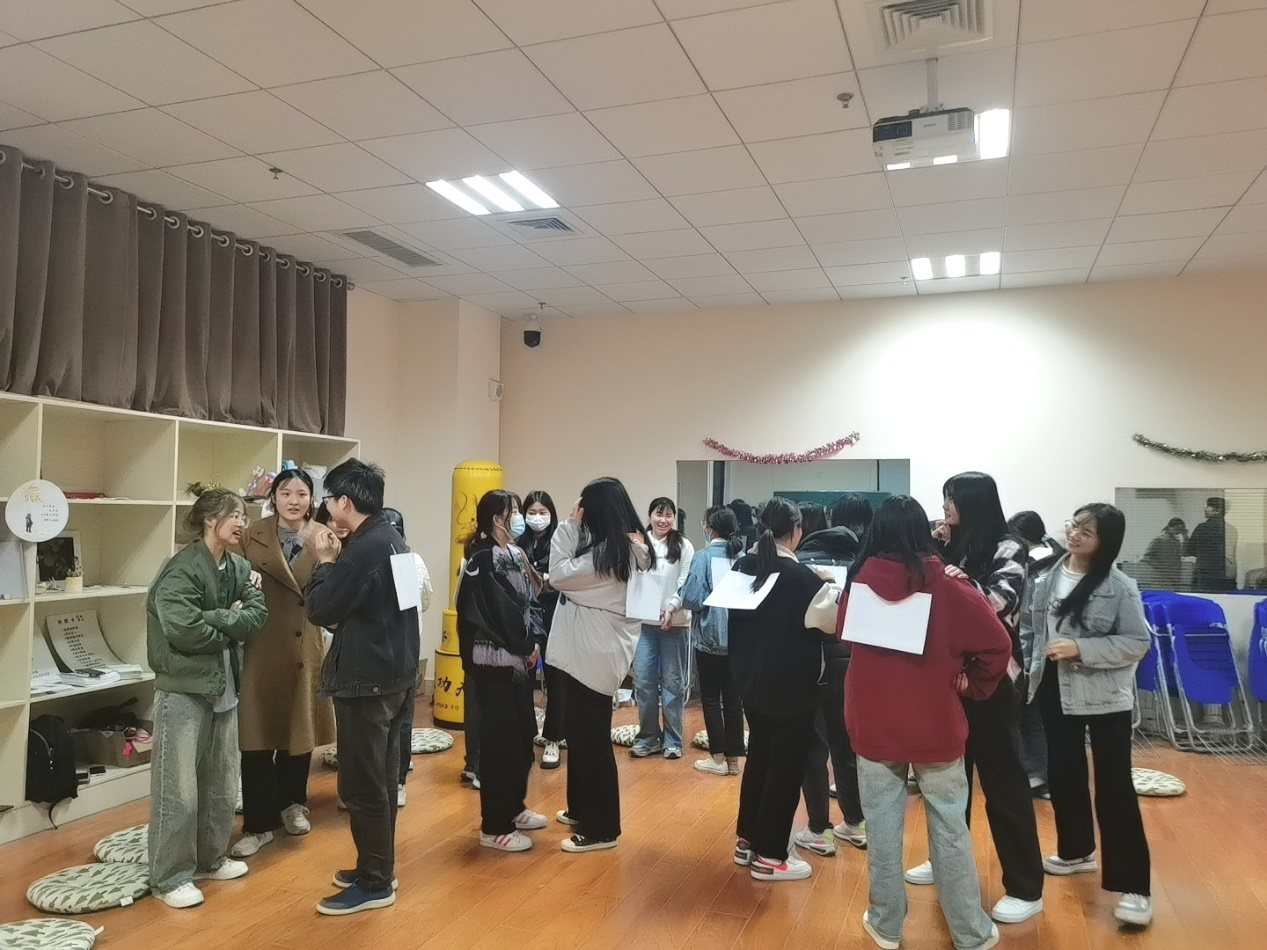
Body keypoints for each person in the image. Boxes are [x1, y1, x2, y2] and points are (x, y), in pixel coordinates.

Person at [842, 495, 1010, 950]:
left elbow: (844, 634)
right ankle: (970, 932)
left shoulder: (859, 580)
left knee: (881, 828)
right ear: (923, 530)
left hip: (872, 722)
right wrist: (973, 682)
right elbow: (998, 643)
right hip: (936, 722)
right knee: (950, 828)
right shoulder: (951, 585)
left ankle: (886, 924)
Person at [906, 472, 1045, 926]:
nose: (945, 507)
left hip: (994, 680)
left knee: (1003, 784)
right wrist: (936, 550)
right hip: (949, 679)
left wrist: (960, 579)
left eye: (952, 499)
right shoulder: (952, 543)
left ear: (973, 503)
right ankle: (946, 860)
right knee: (948, 781)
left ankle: (1025, 886)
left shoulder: (1008, 547)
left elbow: (1000, 603)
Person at [1026, 504, 1154, 928]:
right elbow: (1032, 629)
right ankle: (1077, 851)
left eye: (1088, 530)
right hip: (1053, 687)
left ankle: (1134, 885)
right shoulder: (1046, 576)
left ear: (1106, 541)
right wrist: (1026, 670)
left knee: (1115, 787)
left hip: (1105, 696)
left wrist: (1081, 648)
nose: (1076, 533)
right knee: (1063, 774)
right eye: (1074, 524)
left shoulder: (1119, 586)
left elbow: (1137, 642)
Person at [306, 459, 419, 916]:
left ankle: (376, 882)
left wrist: (324, 563)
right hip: (396, 676)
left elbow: (320, 609)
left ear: (344, 502)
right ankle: (376, 866)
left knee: (363, 784)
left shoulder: (361, 550)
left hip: (367, 681)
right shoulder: (391, 537)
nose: (326, 508)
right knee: (382, 781)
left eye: (328, 499)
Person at [147, 486, 268, 909]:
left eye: (244, 517)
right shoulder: (181, 569)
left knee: (220, 781)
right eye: (235, 516)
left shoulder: (237, 566)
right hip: (184, 688)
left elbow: (257, 614)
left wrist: (220, 619)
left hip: (224, 684)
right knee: (178, 788)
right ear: (209, 521)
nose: (242, 524)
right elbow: (183, 629)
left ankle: (210, 859)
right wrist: (228, 622)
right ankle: (170, 877)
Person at [729, 498, 841, 882]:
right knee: (785, 766)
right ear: (795, 531)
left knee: (760, 758)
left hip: (750, 682)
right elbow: (830, 623)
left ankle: (747, 840)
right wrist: (831, 586)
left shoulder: (742, 567)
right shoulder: (802, 578)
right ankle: (772, 854)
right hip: (792, 687)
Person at [232, 468, 335, 859]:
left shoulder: (324, 537)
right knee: (256, 737)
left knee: (299, 729)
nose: (294, 500)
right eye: (286, 493)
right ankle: (258, 823)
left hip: (303, 643)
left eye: (302, 493)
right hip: (260, 644)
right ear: (272, 497)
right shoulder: (251, 534)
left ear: (312, 499)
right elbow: (232, 581)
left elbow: (333, 588)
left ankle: (294, 803)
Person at [547, 476, 651, 853]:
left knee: (591, 741)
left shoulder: (612, 555)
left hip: (592, 657)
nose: (580, 514)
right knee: (581, 735)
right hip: (593, 653)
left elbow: (559, 575)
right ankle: (581, 809)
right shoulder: (623, 548)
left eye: (584, 509)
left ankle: (602, 828)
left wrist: (569, 527)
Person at [455, 490, 546, 852]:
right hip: (494, 663)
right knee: (500, 744)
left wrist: (534, 642)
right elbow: (497, 612)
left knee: (523, 737)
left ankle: (514, 806)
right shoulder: (483, 559)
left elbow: (533, 602)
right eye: (515, 512)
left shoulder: (516, 554)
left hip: (521, 660)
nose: (521, 518)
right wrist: (524, 644)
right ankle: (494, 825)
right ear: (497, 519)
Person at [795, 514, 866, 856]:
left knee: (814, 747)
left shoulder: (801, 566)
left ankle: (819, 830)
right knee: (845, 745)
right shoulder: (858, 568)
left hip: (812, 665)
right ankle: (856, 823)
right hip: (851, 664)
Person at [679, 506, 746, 777]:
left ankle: (717, 758)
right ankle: (734, 761)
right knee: (733, 699)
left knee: (710, 697)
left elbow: (691, 598)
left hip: (709, 638)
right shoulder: (741, 557)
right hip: (738, 640)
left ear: (709, 528)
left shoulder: (703, 557)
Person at [1007, 510, 1065, 801]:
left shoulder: (1033, 568)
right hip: (1057, 652)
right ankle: (1042, 776)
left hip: (1034, 651)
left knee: (1028, 716)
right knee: (1043, 718)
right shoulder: (1060, 558)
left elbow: (1028, 621)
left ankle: (1036, 775)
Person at [631, 497, 695, 759]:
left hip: (675, 624)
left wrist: (670, 608)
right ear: (650, 516)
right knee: (644, 682)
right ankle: (648, 738)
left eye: (669, 515)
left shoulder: (683, 545)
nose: (664, 520)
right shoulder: (639, 541)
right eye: (659, 514)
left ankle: (673, 740)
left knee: (673, 683)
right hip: (643, 624)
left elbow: (685, 582)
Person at [383, 507, 432, 808]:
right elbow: (424, 601)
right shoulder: (412, 560)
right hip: (405, 651)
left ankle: (396, 779)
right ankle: (397, 778)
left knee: (394, 719)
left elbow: (416, 602)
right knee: (401, 717)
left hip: (393, 652)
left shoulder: (405, 562)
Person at [523, 490, 564, 769]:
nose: (537, 518)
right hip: (524, 617)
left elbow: (561, 579)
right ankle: (526, 736)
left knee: (556, 678)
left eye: (542, 512)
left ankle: (553, 738)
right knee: (523, 678)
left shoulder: (560, 542)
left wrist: (541, 578)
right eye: (532, 512)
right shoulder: (518, 542)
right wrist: (542, 578)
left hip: (555, 617)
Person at [1187, 497, 1239, 592]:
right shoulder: (1231, 529)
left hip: (1205, 576)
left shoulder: (1202, 528)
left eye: (1207, 506)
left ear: (1217, 511)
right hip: (1227, 576)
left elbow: (1189, 550)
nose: (1204, 508)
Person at [1141, 518, 1186, 590]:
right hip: (1161, 577)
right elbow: (1146, 557)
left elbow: (1183, 555)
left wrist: (1185, 537)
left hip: (1174, 577)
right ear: (1170, 527)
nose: (1178, 532)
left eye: (1181, 530)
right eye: (1177, 529)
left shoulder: (1176, 542)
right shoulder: (1159, 540)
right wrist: (1160, 567)